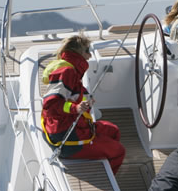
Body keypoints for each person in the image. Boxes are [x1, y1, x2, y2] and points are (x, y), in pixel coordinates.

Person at [41, 34, 126, 173]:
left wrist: (86, 98)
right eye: (87, 51)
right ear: (78, 53)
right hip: (67, 138)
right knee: (119, 152)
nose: (90, 55)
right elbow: (50, 106)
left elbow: (71, 93)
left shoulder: (72, 70)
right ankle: (104, 179)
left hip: (74, 127)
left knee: (113, 130)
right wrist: (76, 108)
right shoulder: (66, 71)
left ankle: (104, 164)